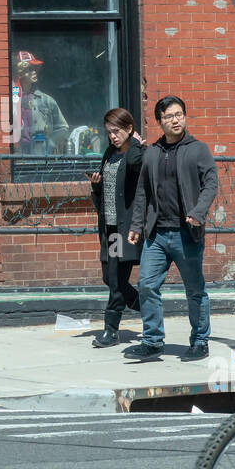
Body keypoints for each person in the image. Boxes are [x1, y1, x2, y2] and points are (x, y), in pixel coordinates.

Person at [126, 96, 218, 361]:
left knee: (194, 289)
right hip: (156, 235)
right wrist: (136, 225)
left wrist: (198, 212)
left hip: (186, 233)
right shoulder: (152, 153)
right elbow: (143, 192)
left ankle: (200, 340)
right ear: (159, 122)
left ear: (185, 117)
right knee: (146, 285)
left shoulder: (198, 149)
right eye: (168, 116)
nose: (175, 120)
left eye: (179, 114)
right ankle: (153, 340)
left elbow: (211, 183)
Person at [89, 108, 145, 348]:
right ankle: (144, 304)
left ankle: (110, 331)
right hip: (110, 229)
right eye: (109, 133)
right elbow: (106, 188)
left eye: (117, 131)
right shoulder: (110, 152)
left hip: (126, 230)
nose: (112, 137)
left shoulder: (137, 154)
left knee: (117, 280)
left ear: (129, 128)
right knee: (109, 277)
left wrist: (135, 145)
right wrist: (97, 186)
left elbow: (135, 165)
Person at [12, 51, 69, 155]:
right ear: (20, 73)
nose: (34, 72)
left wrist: (50, 142)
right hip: (17, 158)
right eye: (30, 69)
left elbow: (63, 128)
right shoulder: (11, 100)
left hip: (41, 158)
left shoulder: (47, 100)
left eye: (35, 69)